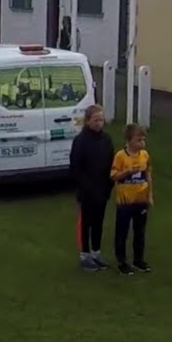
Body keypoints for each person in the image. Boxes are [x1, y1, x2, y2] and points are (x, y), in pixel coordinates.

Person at [70, 104, 115, 271]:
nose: (99, 123)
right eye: (96, 120)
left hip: (103, 190)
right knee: (86, 223)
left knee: (98, 223)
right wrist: (87, 188)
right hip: (87, 192)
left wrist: (108, 186)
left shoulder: (106, 140)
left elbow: (112, 163)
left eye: (101, 120)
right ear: (88, 121)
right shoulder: (80, 141)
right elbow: (75, 168)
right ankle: (85, 255)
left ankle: (96, 253)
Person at [110, 123, 154, 275]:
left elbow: (148, 175)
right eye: (138, 140)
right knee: (122, 232)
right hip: (125, 201)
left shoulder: (145, 155)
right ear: (129, 141)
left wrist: (150, 195)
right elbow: (114, 176)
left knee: (140, 232)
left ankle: (138, 259)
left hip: (140, 199)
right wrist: (127, 172)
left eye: (143, 140)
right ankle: (121, 261)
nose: (142, 143)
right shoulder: (120, 156)